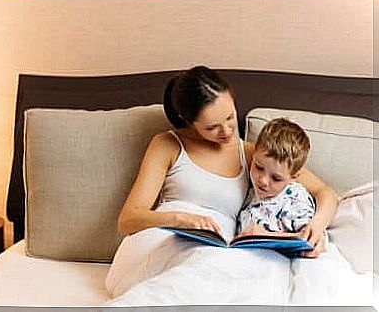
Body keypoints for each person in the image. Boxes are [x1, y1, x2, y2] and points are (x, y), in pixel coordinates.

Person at [104, 66, 345, 305]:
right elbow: (128, 220)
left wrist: (316, 226)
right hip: (164, 238)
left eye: (230, 117)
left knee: (261, 275)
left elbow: (325, 193)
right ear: (189, 121)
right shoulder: (167, 144)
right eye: (212, 127)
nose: (227, 130)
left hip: (222, 249)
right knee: (202, 271)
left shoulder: (254, 157)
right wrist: (180, 219)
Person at [236, 117, 318, 241]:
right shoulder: (252, 194)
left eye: (276, 178)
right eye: (258, 167)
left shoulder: (295, 197)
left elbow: (309, 237)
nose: (263, 180)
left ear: (294, 177)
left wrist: (266, 235)